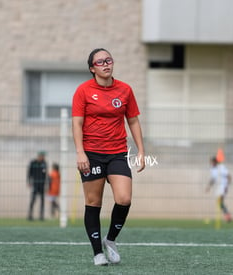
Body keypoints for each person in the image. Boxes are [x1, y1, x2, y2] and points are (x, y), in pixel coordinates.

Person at [72, 48, 145, 266]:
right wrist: (80, 152)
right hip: (91, 154)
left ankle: (110, 240)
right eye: (100, 62)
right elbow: (77, 123)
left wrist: (141, 150)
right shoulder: (83, 91)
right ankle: (97, 253)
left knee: (124, 199)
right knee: (93, 202)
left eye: (109, 60)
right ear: (92, 68)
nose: (106, 64)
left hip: (117, 153)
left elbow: (132, 120)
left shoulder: (125, 90)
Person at [206, 157, 232, 222]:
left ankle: (227, 216)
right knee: (219, 202)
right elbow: (213, 179)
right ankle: (227, 215)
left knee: (220, 201)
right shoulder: (212, 169)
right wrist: (209, 187)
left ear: (215, 162)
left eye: (211, 162)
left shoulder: (221, 167)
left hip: (223, 186)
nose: (211, 163)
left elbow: (229, 176)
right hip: (218, 187)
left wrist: (227, 186)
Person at [27, 151, 48, 221]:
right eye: (42, 156)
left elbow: (45, 175)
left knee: (42, 200)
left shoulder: (44, 163)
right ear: (39, 156)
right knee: (33, 199)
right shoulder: (33, 163)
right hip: (35, 184)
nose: (43, 157)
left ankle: (41, 216)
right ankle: (30, 215)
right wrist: (29, 181)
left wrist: (46, 184)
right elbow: (29, 173)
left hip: (42, 185)